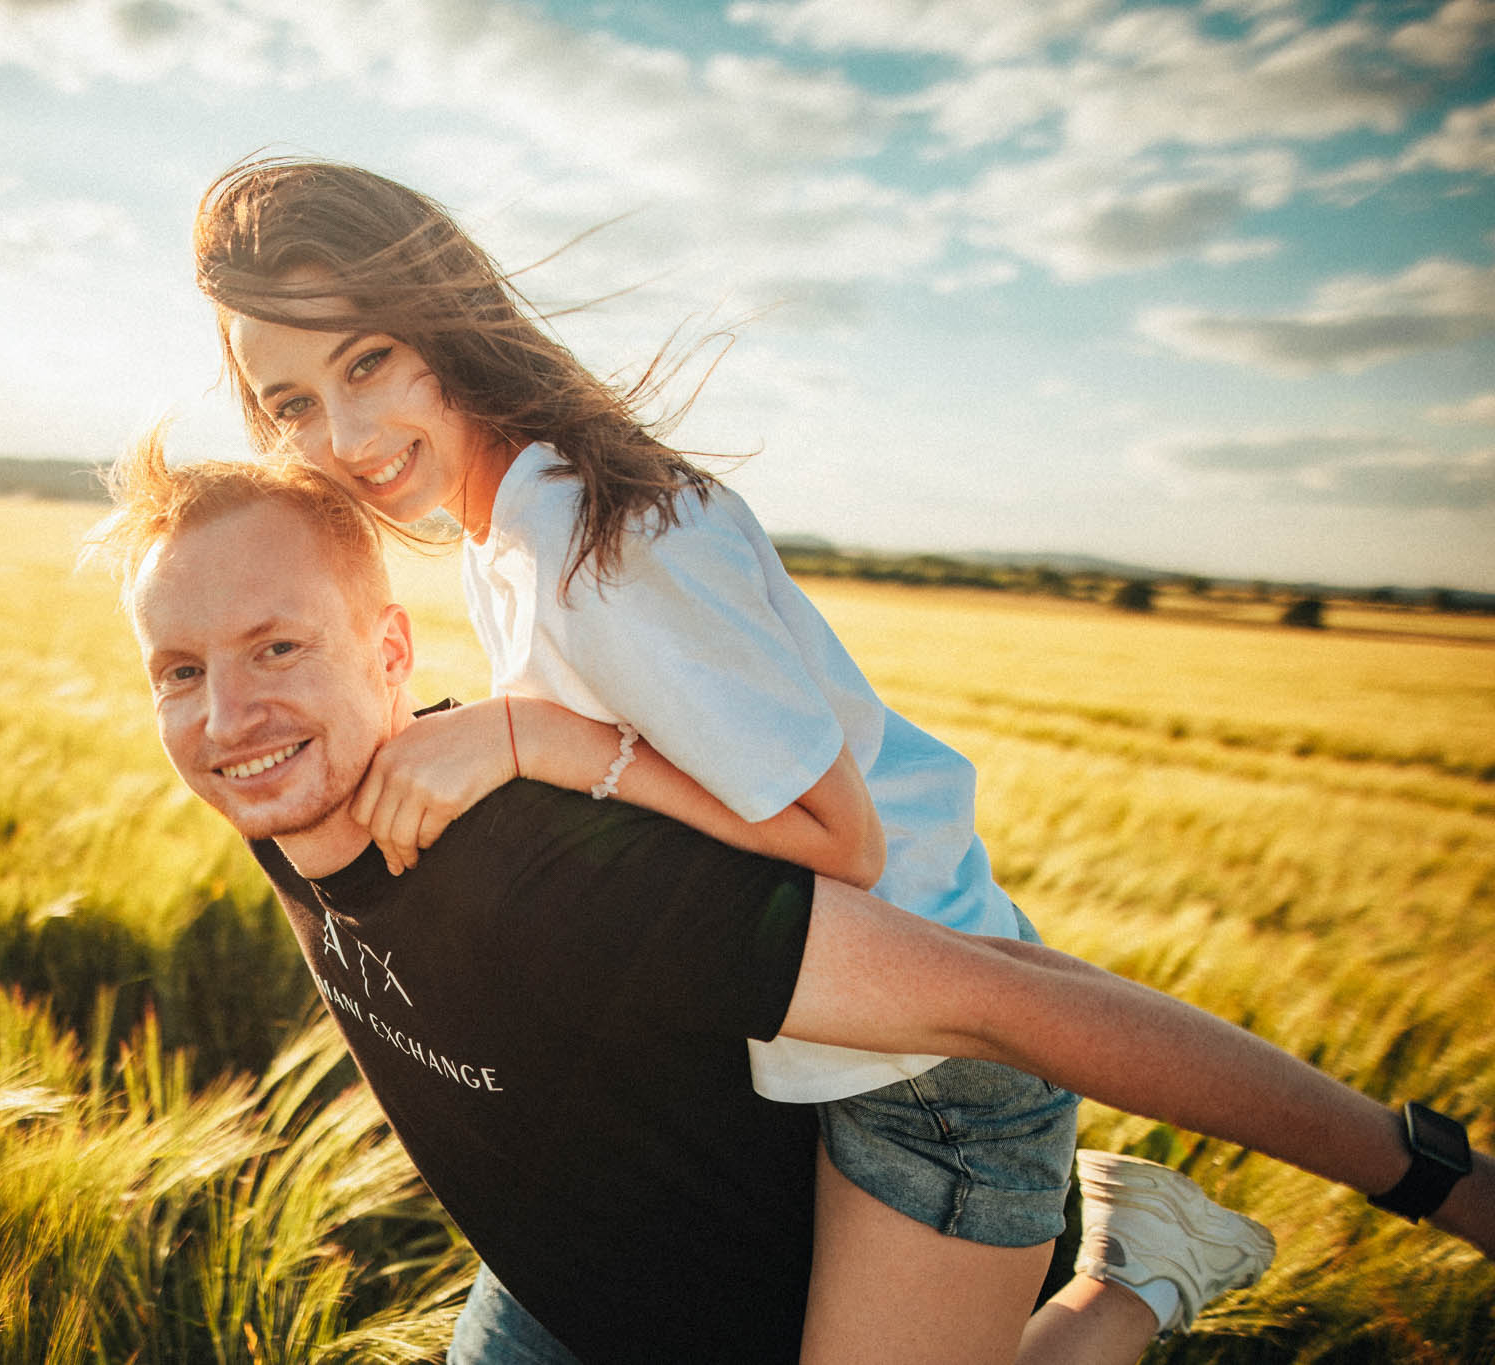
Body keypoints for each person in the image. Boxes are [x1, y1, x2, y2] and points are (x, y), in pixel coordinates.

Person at [95, 437, 1494, 1365]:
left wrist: (1424, 1168)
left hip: (780, 1303)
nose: (229, 714)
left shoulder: (551, 871)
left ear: (389, 652)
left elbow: (1001, 999)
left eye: (281, 645)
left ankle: (1135, 1278)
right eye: (180, 672)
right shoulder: (283, 792)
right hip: (559, 1289)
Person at [188, 155, 1245, 1363]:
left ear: (438, 313)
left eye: (365, 360)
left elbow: (841, 843)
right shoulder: (502, 528)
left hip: (930, 1078)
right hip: (783, 1046)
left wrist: (536, 739)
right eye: (290, 406)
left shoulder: (594, 537)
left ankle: (1136, 1278)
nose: (345, 434)